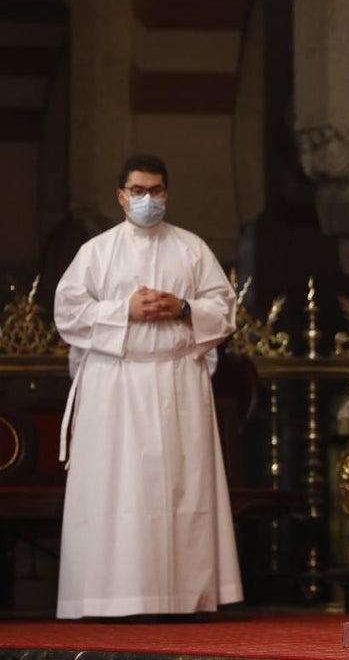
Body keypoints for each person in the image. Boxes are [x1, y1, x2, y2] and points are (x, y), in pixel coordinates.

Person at [54, 154, 242, 620]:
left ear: (167, 194)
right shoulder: (97, 252)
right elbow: (68, 314)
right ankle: (109, 595)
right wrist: (125, 311)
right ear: (121, 196)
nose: (148, 200)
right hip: (116, 384)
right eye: (138, 191)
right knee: (118, 489)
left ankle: (182, 595)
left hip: (176, 381)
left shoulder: (191, 248)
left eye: (156, 191)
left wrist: (182, 308)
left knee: (182, 489)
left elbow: (224, 308)